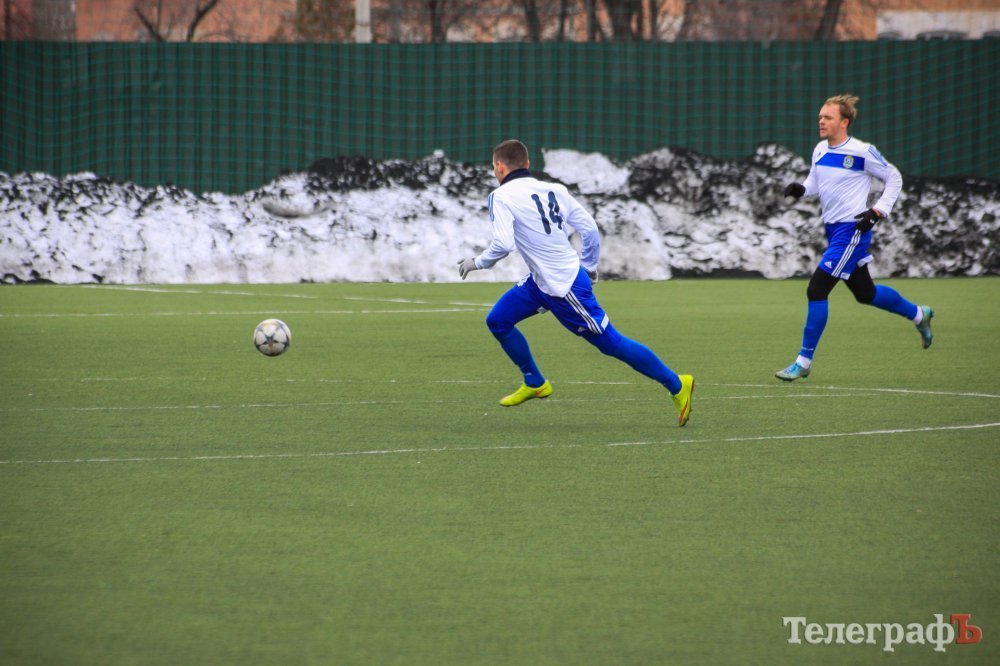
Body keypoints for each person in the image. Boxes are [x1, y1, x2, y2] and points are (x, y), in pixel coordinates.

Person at [457, 139, 694, 425]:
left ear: (499, 166)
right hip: (541, 282)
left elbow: (504, 244)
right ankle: (535, 382)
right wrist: (590, 267)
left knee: (611, 343)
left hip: (563, 287)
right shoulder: (556, 190)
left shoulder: (501, 196)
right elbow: (589, 229)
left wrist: (478, 262)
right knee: (498, 321)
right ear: (527, 164)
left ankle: (677, 384)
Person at [776, 94, 933, 381]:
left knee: (817, 289)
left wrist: (877, 211)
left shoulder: (862, 151)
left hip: (852, 231)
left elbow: (894, 177)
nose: (821, 121)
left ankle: (804, 361)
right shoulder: (820, 150)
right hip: (834, 231)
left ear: (844, 122)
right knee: (866, 294)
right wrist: (802, 189)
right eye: (820, 116)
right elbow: (815, 182)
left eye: (828, 117)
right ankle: (919, 315)